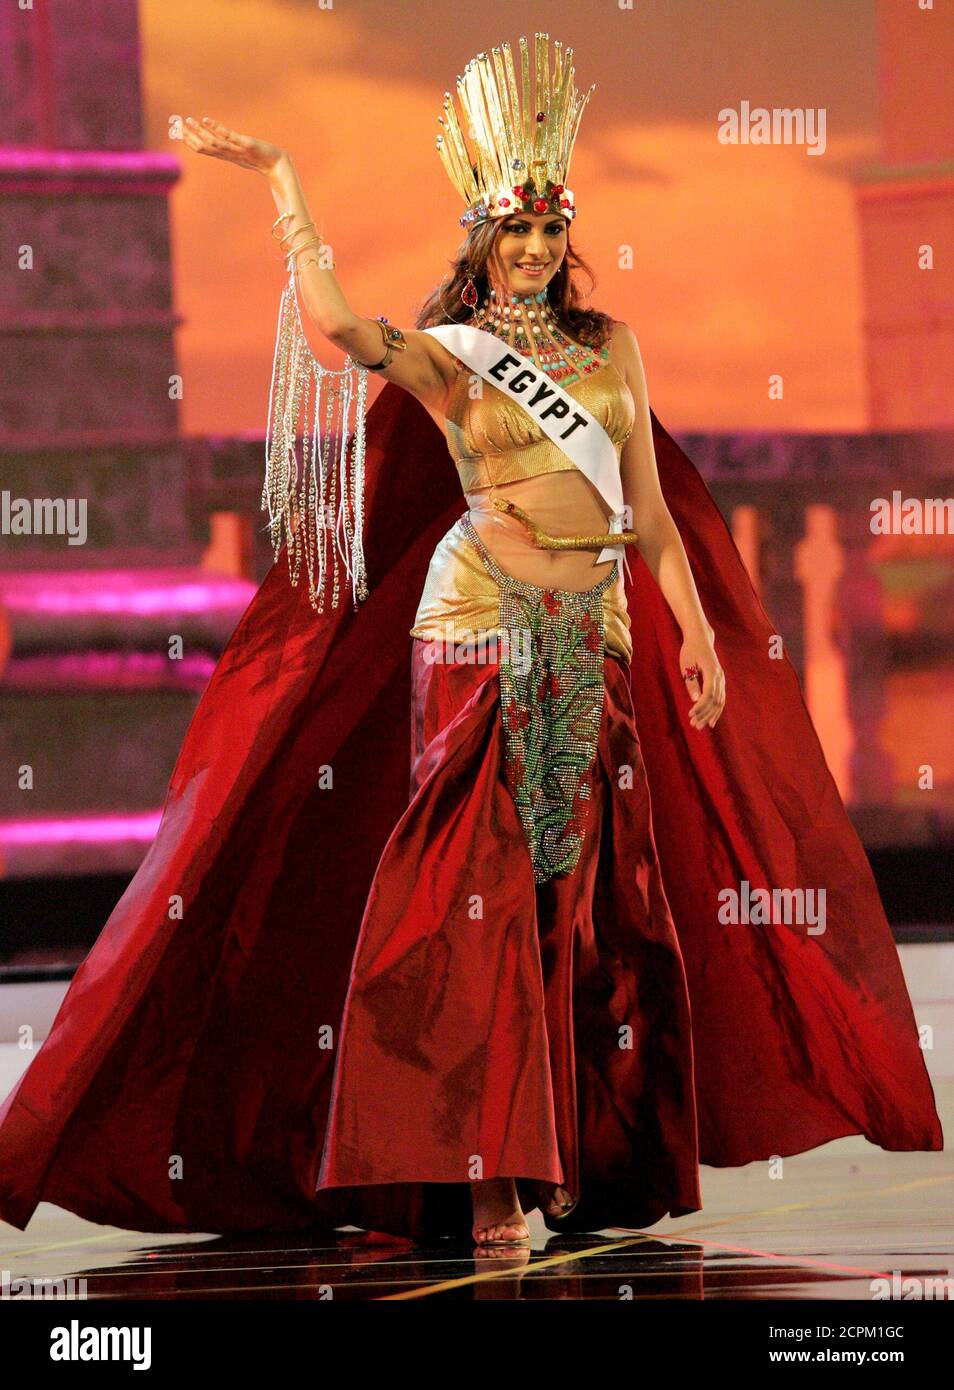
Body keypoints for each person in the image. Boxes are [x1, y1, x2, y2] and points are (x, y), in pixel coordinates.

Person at [0, 34, 941, 1252]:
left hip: (590, 629)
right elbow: (339, 325)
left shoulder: (612, 352)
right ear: (484, 242)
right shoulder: (451, 359)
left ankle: (570, 1151)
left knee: (584, 905)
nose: (538, 253)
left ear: (568, 236)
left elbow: (649, 517)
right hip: (477, 631)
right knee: (470, 899)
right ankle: (481, 1165)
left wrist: (699, 637)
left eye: (553, 232)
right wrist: (287, 182)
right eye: (515, 235)